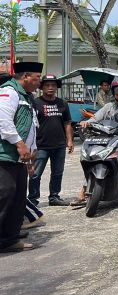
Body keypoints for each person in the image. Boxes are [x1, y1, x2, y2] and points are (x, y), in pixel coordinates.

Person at [0, 62, 42, 252]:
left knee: (17, 199)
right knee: (5, 193)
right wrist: (19, 143)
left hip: (20, 158)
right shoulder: (9, 92)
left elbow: (30, 127)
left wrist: (30, 157)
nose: (39, 82)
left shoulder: (27, 97)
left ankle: (9, 239)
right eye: (36, 77)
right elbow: (3, 121)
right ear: (25, 76)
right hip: (5, 156)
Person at [29, 74, 73, 207]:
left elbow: (67, 123)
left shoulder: (62, 103)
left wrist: (69, 140)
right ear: (42, 87)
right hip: (40, 145)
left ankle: (54, 197)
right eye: (47, 85)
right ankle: (33, 199)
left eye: (53, 85)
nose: (50, 88)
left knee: (57, 173)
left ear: (56, 87)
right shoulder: (35, 103)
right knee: (35, 174)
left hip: (59, 145)